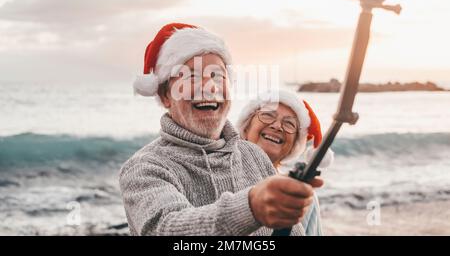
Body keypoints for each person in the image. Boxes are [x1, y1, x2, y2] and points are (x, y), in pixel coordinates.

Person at [119, 23, 323, 235]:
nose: (209, 86)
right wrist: (252, 207)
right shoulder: (144, 168)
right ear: (165, 96)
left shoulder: (254, 156)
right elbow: (167, 229)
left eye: (218, 75)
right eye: (192, 76)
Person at [236, 90, 334, 235]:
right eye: (268, 115)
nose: (277, 126)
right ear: (246, 126)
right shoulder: (221, 174)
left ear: (294, 144)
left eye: (289, 123)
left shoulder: (302, 198)